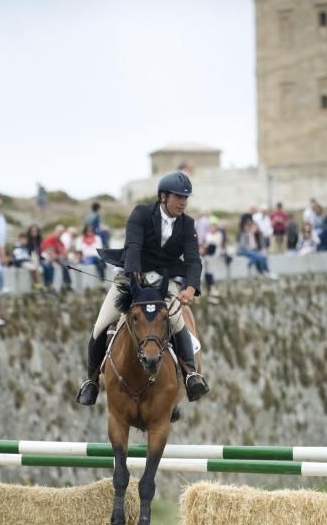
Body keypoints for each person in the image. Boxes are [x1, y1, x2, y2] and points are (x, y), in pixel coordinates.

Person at [75, 171, 209, 406]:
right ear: (163, 197)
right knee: (101, 324)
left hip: (163, 283)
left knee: (178, 324)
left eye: (185, 198)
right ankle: (91, 381)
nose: (182, 202)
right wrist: (135, 278)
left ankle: (191, 377)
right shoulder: (142, 214)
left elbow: (193, 260)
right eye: (178, 197)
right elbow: (134, 247)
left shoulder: (187, 224)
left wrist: (190, 288)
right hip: (132, 278)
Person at [41, 225, 72, 291]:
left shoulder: (60, 242)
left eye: (62, 233)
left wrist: (62, 255)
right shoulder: (50, 239)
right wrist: (58, 256)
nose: (60, 234)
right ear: (55, 231)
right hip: (47, 259)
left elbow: (64, 253)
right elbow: (49, 252)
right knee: (63, 265)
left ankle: (67, 284)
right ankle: (65, 284)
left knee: (66, 265)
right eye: (59, 232)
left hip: (56, 259)